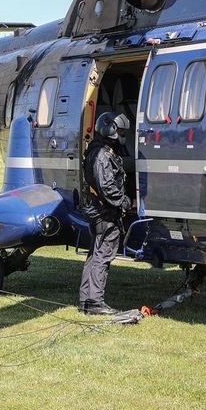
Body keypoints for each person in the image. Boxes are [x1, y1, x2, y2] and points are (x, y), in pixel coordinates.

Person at [78, 111, 132, 316]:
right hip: (104, 212)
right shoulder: (102, 155)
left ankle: (86, 300)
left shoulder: (97, 150)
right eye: (121, 131)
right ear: (112, 130)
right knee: (103, 256)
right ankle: (95, 302)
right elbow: (107, 187)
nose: (123, 135)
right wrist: (125, 202)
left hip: (96, 210)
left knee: (94, 255)